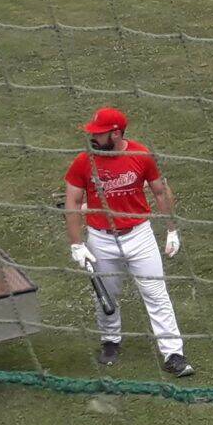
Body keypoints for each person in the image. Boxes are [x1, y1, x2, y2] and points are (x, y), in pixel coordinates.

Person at [63, 107, 195, 377]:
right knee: (105, 296)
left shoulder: (140, 155)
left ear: (116, 133)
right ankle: (110, 340)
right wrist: (77, 244)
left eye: (99, 134)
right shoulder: (83, 162)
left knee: (157, 294)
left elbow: (160, 192)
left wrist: (172, 229)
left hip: (139, 236)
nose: (93, 138)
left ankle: (173, 353)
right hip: (101, 239)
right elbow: (73, 202)